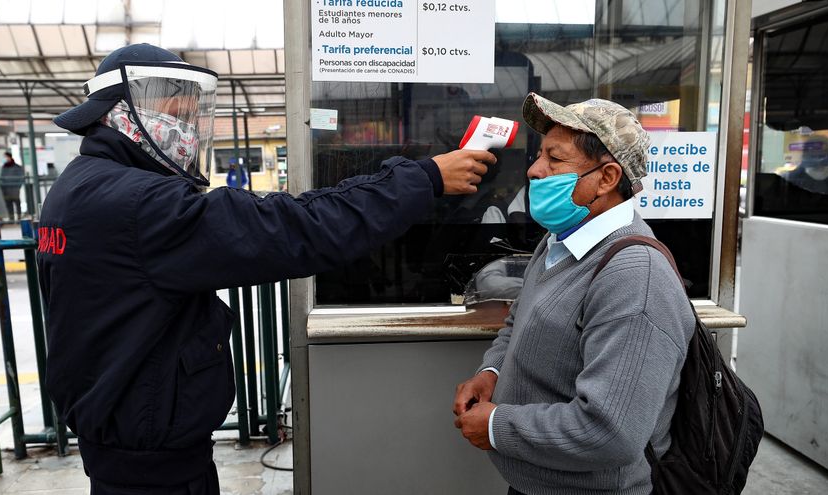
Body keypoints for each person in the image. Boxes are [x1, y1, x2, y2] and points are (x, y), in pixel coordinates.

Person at [37, 43, 494, 495]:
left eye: (190, 110)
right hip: (152, 468)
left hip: (130, 448)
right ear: (114, 108)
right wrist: (424, 178)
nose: (185, 123)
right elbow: (296, 227)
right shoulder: (142, 205)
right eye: (171, 105)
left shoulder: (78, 187)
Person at [452, 94, 695, 495]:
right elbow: (518, 322)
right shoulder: (560, 241)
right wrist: (491, 373)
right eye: (539, 155)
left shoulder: (635, 279)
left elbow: (610, 432)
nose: (534, 170)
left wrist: (498, 427)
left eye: (555, 159)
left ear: (606, 177)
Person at [0, 151, 25, 220]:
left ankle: (19, 217)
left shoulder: (17, 167)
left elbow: (21, 177)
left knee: (17, 202)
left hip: (15, 188)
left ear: (9, 157)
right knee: (8, 203)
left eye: (5, 157)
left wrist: (18, 186)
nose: (4, 159)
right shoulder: (4, 167)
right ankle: (11, 218)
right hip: (6, 189)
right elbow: (2, 177)